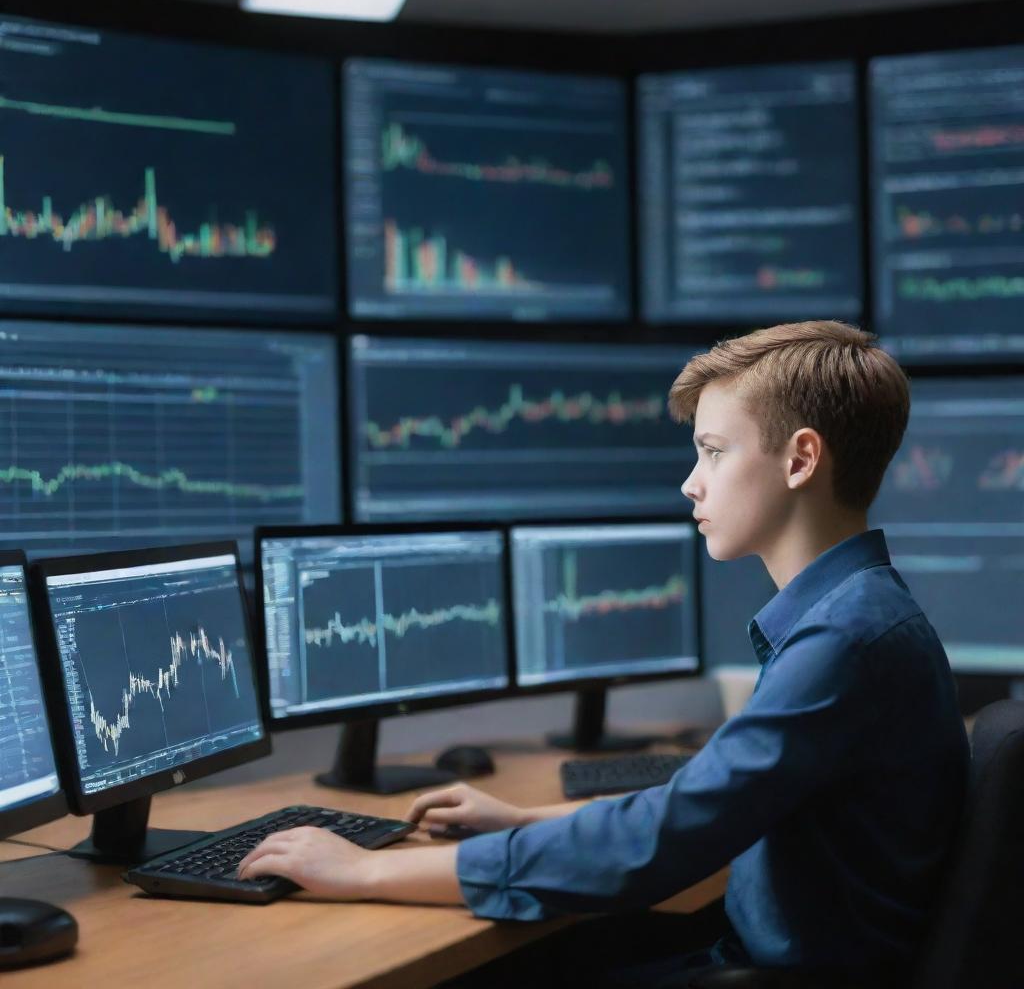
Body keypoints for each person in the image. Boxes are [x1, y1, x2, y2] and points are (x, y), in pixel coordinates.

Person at [238, 321, 970, 987]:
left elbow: (658, 841)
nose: (692, 481)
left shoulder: (841, 642)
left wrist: (363, 873)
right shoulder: (857, 615)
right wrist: (525, 821)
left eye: (713, 451)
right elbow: (697, 805)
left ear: (800, 459)